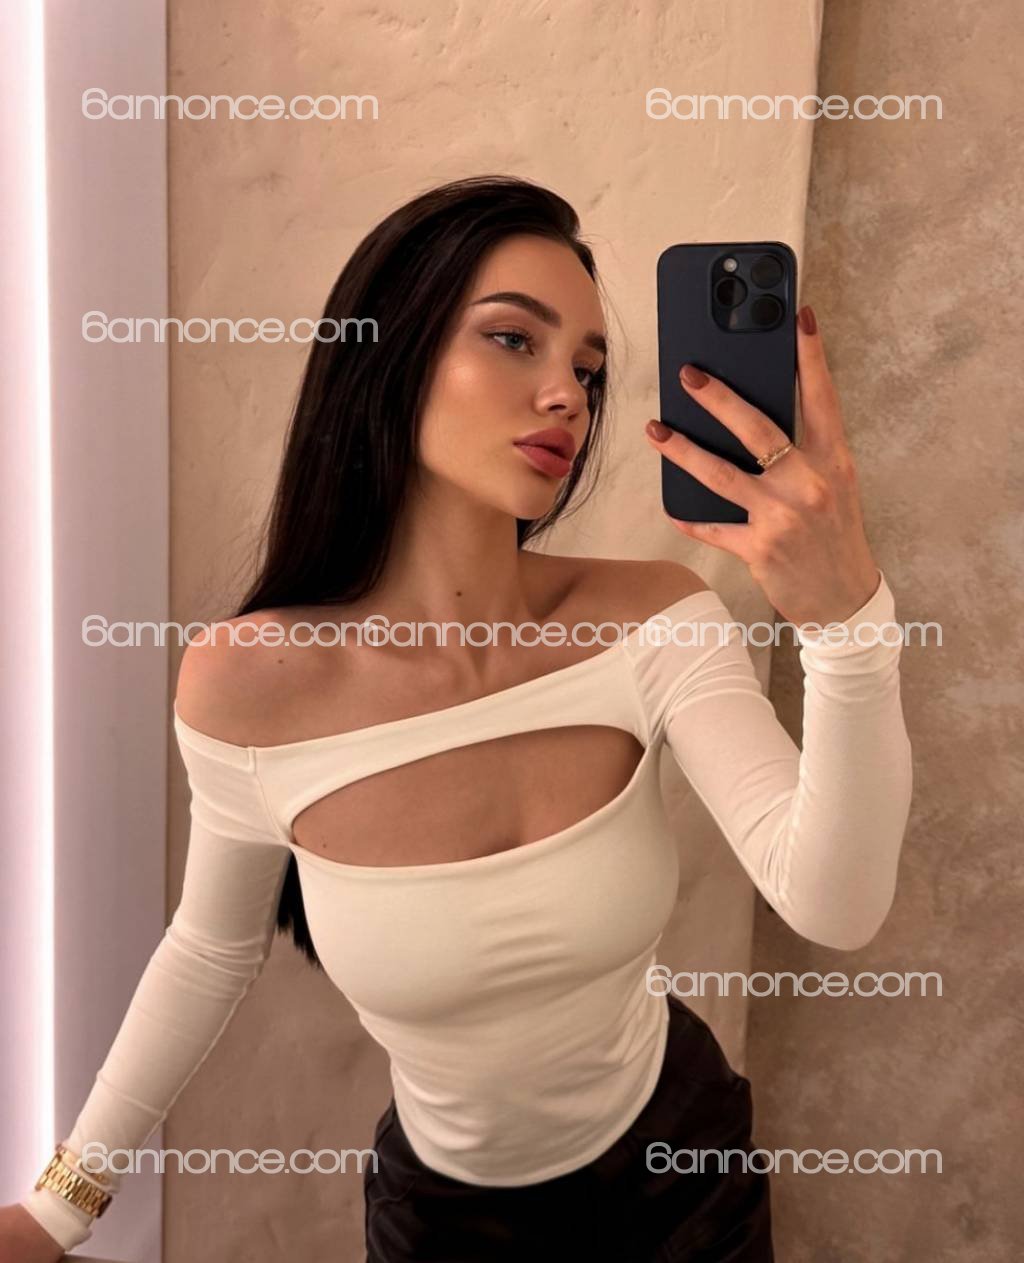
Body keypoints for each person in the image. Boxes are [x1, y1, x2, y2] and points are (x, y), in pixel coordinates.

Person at [3, 175, 912, 1262]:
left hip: (684, 1174)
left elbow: (835, 902)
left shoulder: (656, 623)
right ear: (389, 354)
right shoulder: (250, 684)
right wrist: (62, 1206)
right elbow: (209, 950)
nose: (567, 395)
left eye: (587, 368)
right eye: (514, 340)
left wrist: (848, 621)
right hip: (442, 1223)